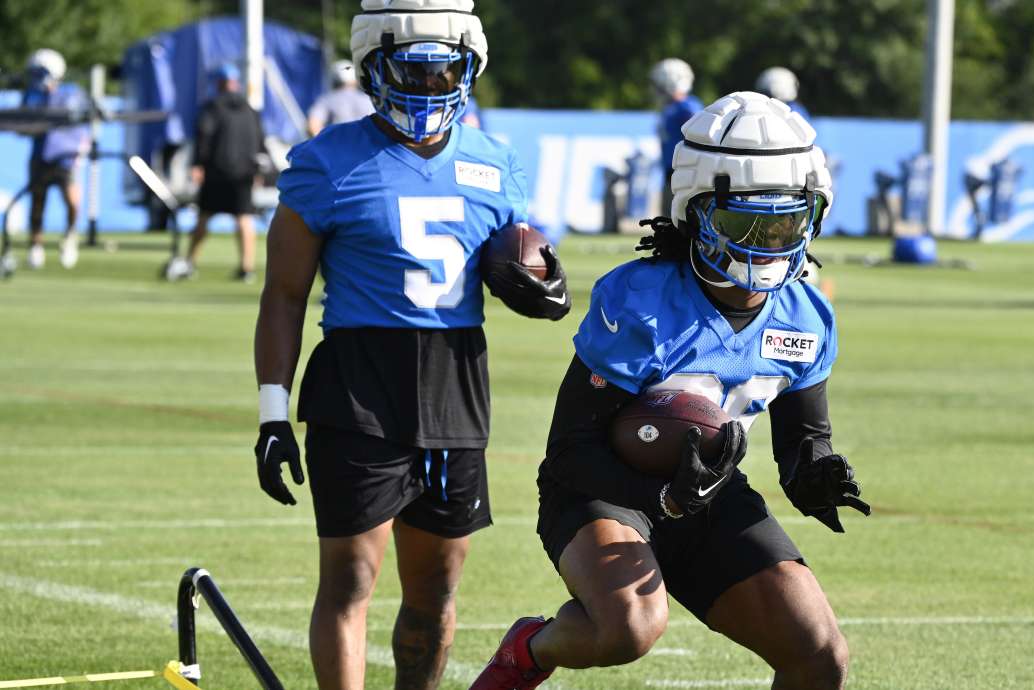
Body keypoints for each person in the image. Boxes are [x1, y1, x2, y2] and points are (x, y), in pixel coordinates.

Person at [471, 92, 870, 690]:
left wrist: (816, 469)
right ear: (698, 212)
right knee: (630, 627)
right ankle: (530, 648)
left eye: (786, 221)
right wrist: (661, 500)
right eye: (745, 222)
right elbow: (571, 451)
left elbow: (804, 439)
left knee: (819, 653)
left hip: (709, 491)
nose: (766, 242)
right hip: (603, 491)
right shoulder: (642, 300)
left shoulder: (805, 316)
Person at [252, 1, 570, 688]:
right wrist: (272, 414)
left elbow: (521, 262)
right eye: (412, 70)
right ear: (374, 68)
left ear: (468, 69)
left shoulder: (497, 165)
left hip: (456, 382)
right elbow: (283, 296)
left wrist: (544, 285)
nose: (429, 87)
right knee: (351, 578)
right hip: (359, 383)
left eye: (443, 71)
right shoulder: (326, 162)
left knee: (436, 590)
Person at [185, 63, 265, 282]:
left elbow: (204, 136)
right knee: (244, 218)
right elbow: (260, 141)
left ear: (219, 83)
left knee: (203, 218)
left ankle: (189, 263)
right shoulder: (250, 109)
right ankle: (246, 268)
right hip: (244, 173)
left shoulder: (212, 107)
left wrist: (197, 164)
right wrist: (257, 170)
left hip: (216, 171)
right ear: (235, 82)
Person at [21, 48, 89, 270]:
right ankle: (35, 245)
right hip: (41, 155)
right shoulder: (32, 95)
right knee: (38, 202)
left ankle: (70, 237)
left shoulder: (72, 93)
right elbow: (24, 125)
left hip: (65, 156)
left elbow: (83, 121)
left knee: (72, 201)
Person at [649, 58, 703, 216]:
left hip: (685, 174)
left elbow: (702, 137)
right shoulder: (670, 108)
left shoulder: (687, 107)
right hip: (671, 173)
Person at [307, 60, 376, 137]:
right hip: (367, 145)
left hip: (338, 145)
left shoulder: (327, 99)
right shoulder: (367, 99)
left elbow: (313, 125)